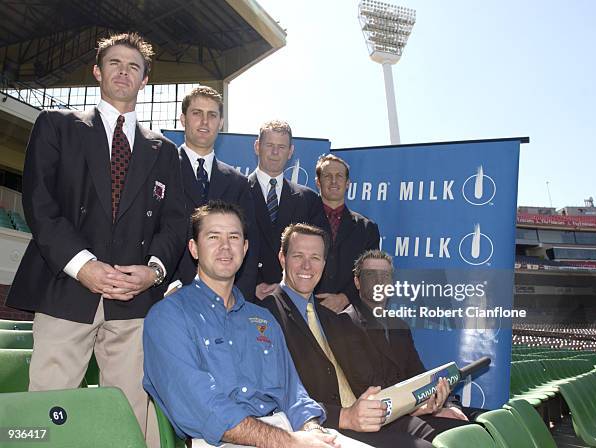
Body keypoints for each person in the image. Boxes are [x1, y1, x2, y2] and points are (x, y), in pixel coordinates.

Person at [6, 32, 187, 442]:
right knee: (50, 412)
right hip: (66, 290)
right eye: (115, 64)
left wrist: (153, 272)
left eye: (133, 67)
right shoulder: (56, 126)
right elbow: (39, 202)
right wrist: (81, 265)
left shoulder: (165, 151)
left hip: (134, 301)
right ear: (97, 72)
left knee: (131, 414)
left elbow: (175, 224)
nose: (124, 72)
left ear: (145, 80)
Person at [143, 201, 370, 448]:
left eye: (234, 237)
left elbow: (294, 395)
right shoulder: (169, 317)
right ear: (194, 248)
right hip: (222, 440)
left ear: (245, 247)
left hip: (285, 432)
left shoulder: (262, 320)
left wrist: (314, 431)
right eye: (213, 237)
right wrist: (290, 442)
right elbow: (205, 409)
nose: (225, 247)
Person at [261, 223, 450, 448]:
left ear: (324, 263)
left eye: (315, 257)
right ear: (282, 258)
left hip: (370, 419)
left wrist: (415, 405)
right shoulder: (264, 316)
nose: (307, 265)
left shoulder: (331, 318)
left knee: (457, 438)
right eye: (298, 256)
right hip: (321, 427)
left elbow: (363, 382)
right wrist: (345, 416)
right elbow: (274, 397)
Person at [348, 249, 472, 425]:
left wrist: (448, 404)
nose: (378, 281)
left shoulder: (400, 326)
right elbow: (370, 388)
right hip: (383, 421)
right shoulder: (347, 323)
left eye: (385, 275)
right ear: (357, 282)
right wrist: (421, 410)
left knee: (475, 420)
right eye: (370, 275)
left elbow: (419, 375)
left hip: (412, 411)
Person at [172, 85, 257, 298]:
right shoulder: (162, 169)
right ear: (183, 119)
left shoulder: (238, 183)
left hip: (224, 297)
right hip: (169, 292)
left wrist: (239, 297)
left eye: (212, 115)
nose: (204, 121)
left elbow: (248, 244)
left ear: (220, 123)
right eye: (196, 113)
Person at [248, 120, 324, 300]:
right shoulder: (235, 191)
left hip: (293, 299)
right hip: (246, 298)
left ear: (290, 152)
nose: (275, 152)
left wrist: (286, 285)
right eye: (269, 145)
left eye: (281, 147)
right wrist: (253, 285)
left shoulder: (309, 200)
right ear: (257, 146)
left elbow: (317, 253)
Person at [313, 154, 380, 313]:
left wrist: (345, 298)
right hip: (305, 312)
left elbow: (370, 274)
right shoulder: (301, 221)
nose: (334, 181)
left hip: (349, 316)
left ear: (348, 183)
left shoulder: (367, 228)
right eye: (328, 176)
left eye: (339, 176)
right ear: (318, 182)